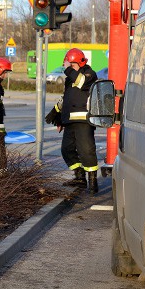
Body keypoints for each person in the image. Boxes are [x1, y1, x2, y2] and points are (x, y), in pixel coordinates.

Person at [45, 48, 99, 192]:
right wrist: (57, 115)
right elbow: (66, 98)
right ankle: (79, 177)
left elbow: (82, 82)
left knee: (86, 151)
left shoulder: (89, 74)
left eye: (72, 65)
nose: (69, 68)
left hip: (83, 120)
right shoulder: (70, 78)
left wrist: (68, 69)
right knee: (66, 150)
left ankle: (93, 181)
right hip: (70, 120)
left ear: (80, 63)